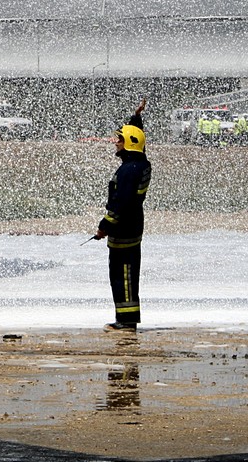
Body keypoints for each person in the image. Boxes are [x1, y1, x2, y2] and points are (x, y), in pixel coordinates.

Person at [94, 97, 151, 332]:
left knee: (123, 275)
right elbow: (139, 139)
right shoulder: (139, 162)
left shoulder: (130, 170)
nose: (115, 142)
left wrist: (103, 226)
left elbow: (120, 204)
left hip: (125, 228)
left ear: (128, 143)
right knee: (122, 274)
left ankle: (127, 322)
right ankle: (124, 319)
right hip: (131, 226)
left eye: (119, 139)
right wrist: (136, 118)